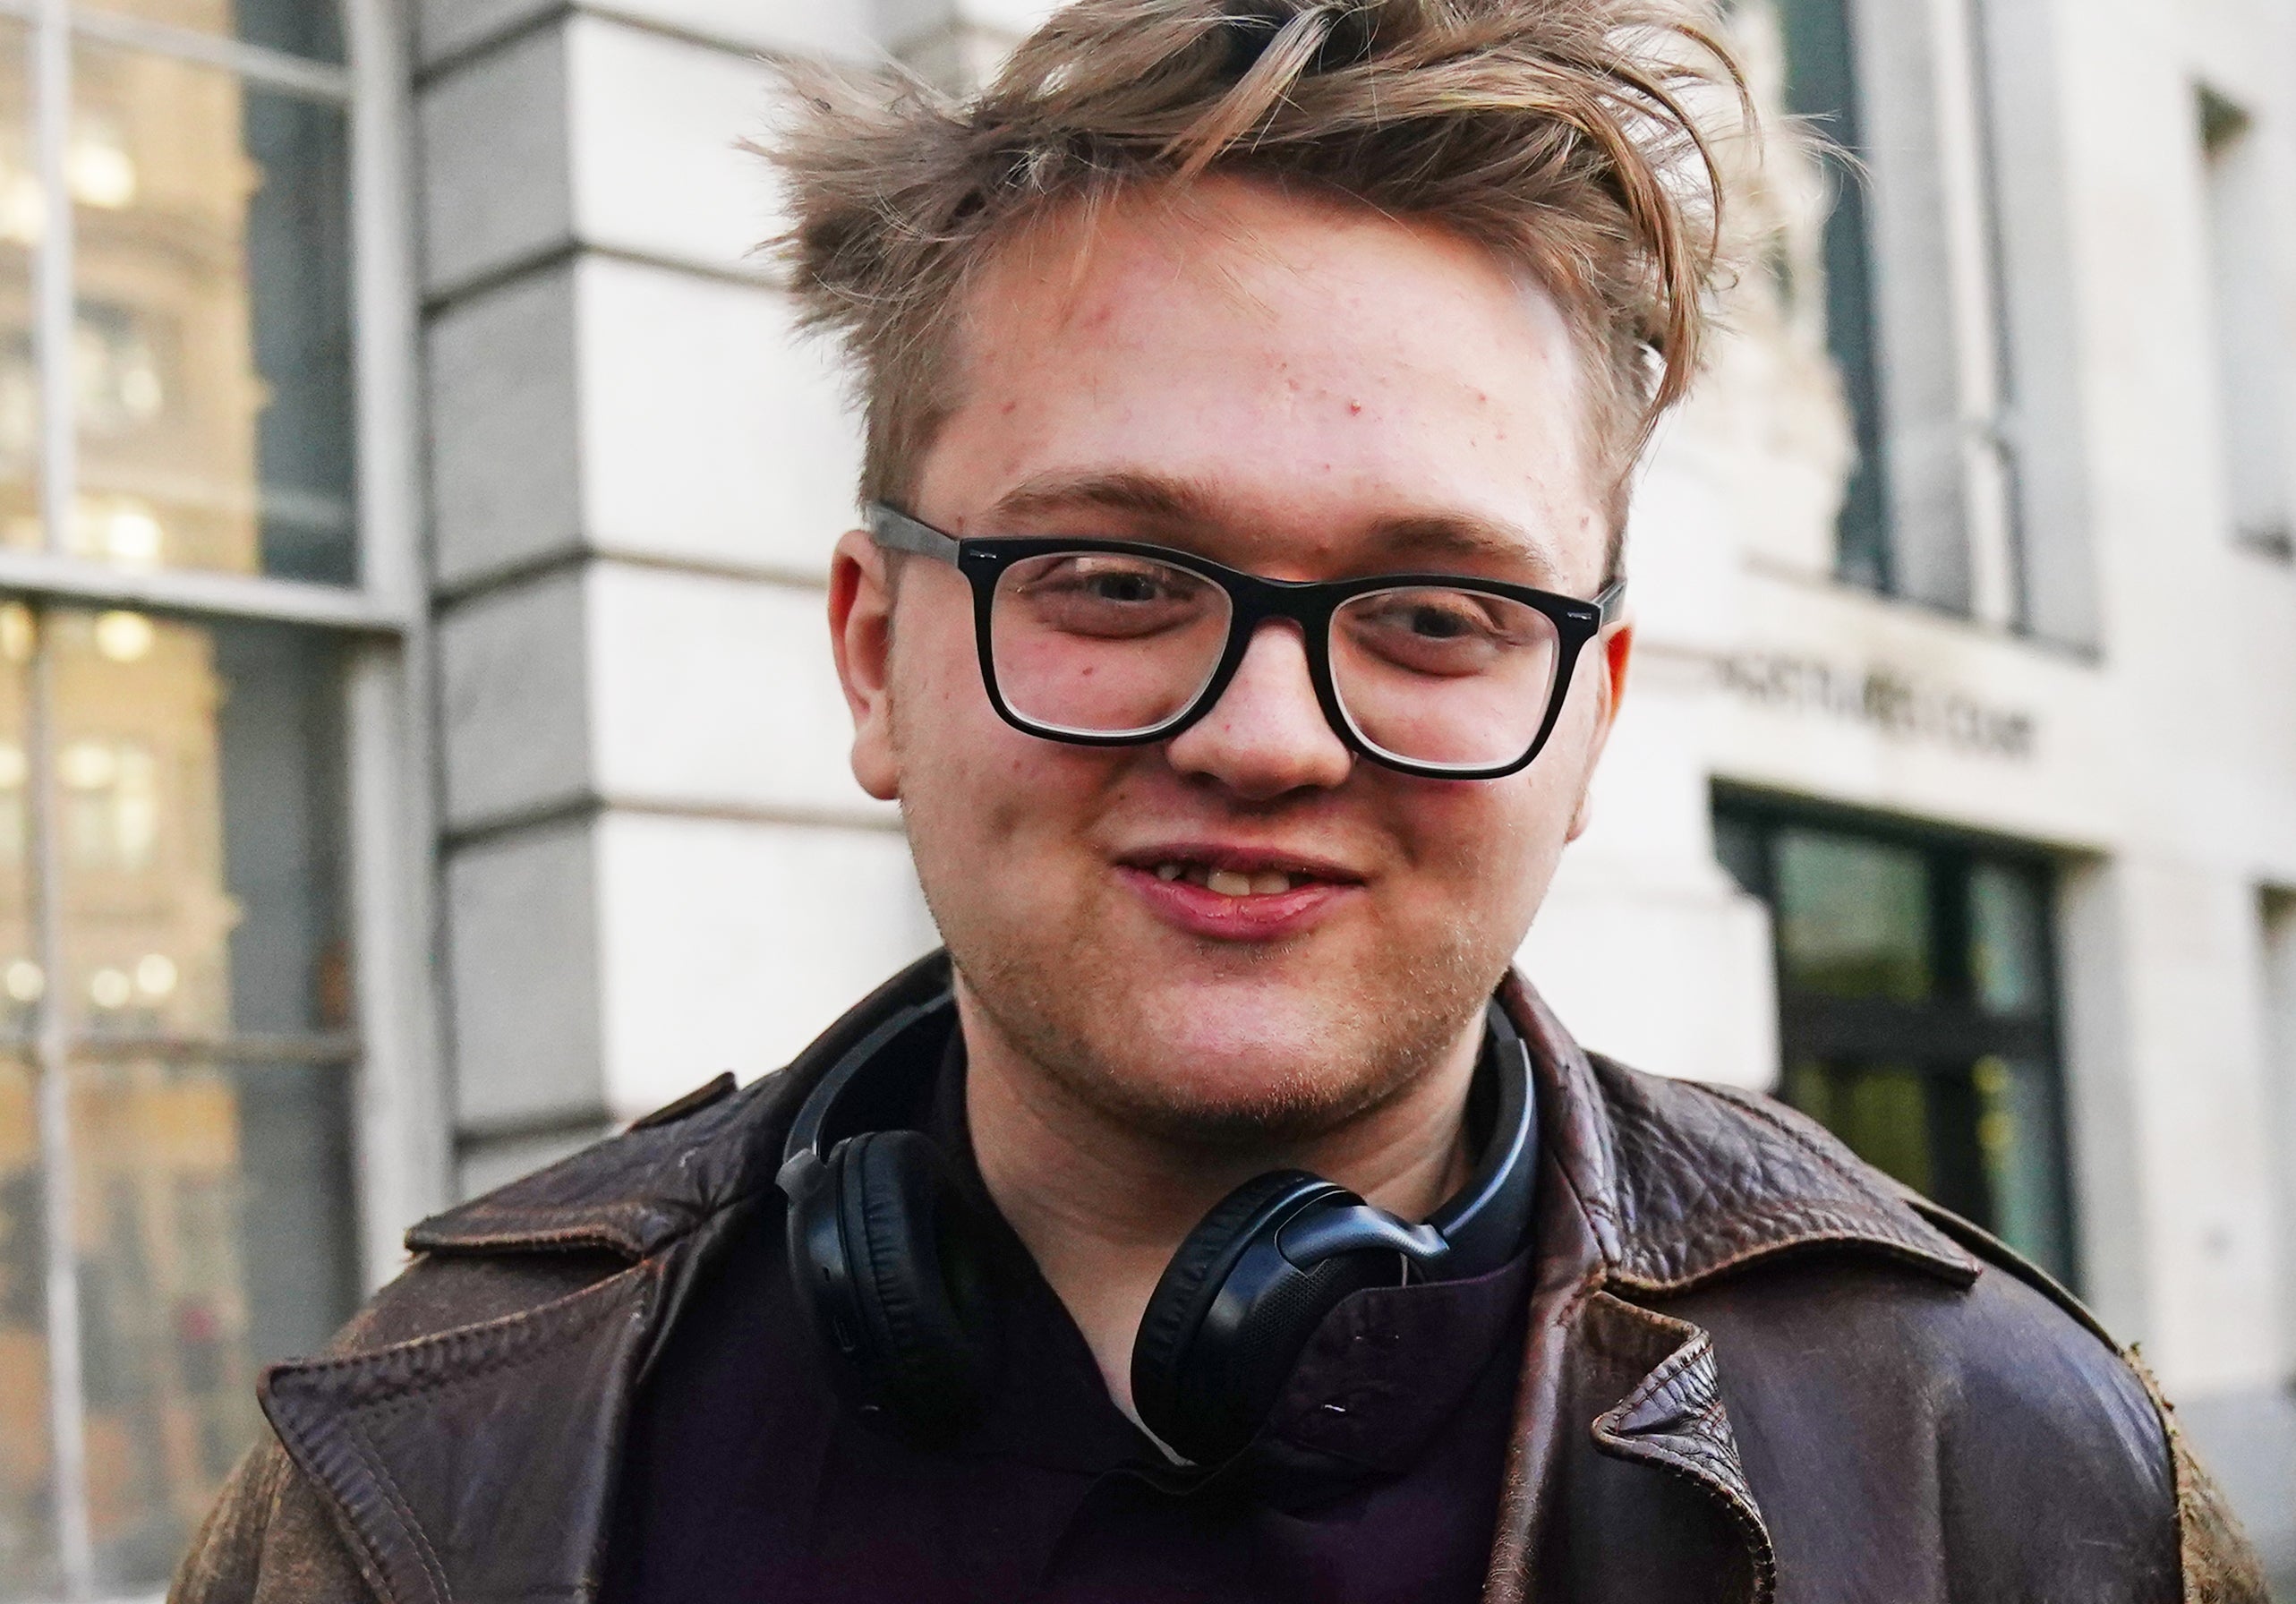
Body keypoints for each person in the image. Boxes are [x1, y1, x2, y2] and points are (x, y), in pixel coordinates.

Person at [175, 2, 2266, 1601]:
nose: (1268, 736)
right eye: (1110, 577)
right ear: (867, 648)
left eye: (1434, 612)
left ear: (1587, 711)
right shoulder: (423, 1468)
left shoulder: (1995, 1466)